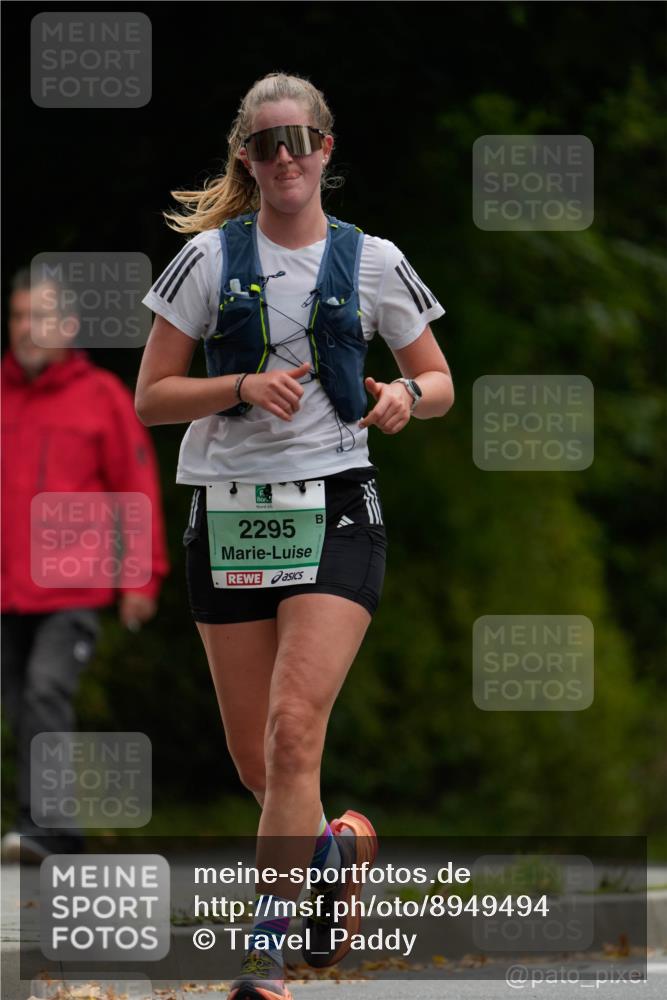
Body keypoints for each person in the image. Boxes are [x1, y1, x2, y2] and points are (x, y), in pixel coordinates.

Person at [136, 72, 454, 1000]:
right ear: (247, 155)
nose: (284, 157)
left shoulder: (374, 260)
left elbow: (436, 379)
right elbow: (151, 398)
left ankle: (264, 953)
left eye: (299, 139)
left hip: (336, 506)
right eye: (266, 143)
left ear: (325, 149)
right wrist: (237, 387)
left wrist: (401, 396)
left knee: (291, 730)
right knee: (257, 760)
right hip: (228, 513)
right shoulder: (205, 261)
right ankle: (333, 848)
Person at [1, 268, 169, 863]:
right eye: (19, 316)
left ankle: (45, 828)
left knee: (47, 691)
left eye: (39, 317)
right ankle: (57, 832)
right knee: (20, 704)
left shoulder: (101, 397)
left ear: (68, 326)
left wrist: (142, 577)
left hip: (70, 586)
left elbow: (137, 487)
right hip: (5, 590)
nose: (26, 329)